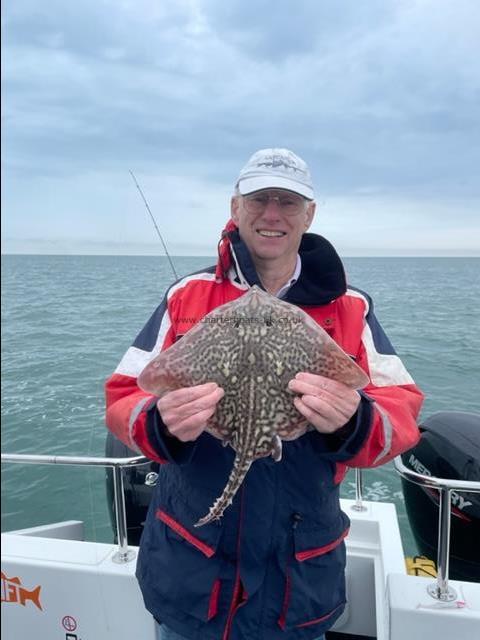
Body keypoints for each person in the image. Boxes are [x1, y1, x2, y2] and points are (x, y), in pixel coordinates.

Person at [105, 148, 424, 640]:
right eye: (259, 199)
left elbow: (401, 413)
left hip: (296, 581)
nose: (272, 213)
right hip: (192, 572)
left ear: (309, 214)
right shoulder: (185, 296)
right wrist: (158, 422)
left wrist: (354, 420)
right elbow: (124, 395)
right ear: (235, 208)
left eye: (288, 202)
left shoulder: (351, 309)